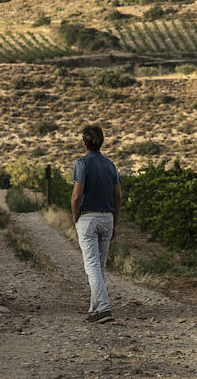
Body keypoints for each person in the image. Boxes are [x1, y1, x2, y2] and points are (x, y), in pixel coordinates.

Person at [70, 124, 120, 323]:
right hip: (107, 217)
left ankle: (104, 308)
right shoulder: (110, 164)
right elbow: (118, 197)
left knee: (91, 266)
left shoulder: (82, 163)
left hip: (88, 218)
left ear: (84, 142)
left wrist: (75, 219)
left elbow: (76, 196)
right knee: (100, 266)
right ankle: (94, 308)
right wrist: (115, 223)